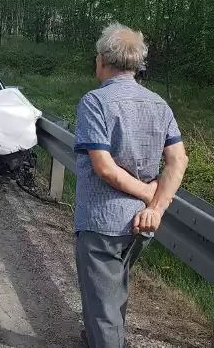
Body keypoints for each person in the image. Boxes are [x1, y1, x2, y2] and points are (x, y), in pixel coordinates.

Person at [73, 23, 189, 348]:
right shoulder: (158, 104)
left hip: (102, 223)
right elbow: (178, 160)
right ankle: (101, 336)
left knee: (103, 307)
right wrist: (155, 207)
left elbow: (104, 167)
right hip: (141, 225)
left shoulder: (95, 102)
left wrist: (147, 193)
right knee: (113, 291)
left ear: (103, 60)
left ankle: (104, 339)